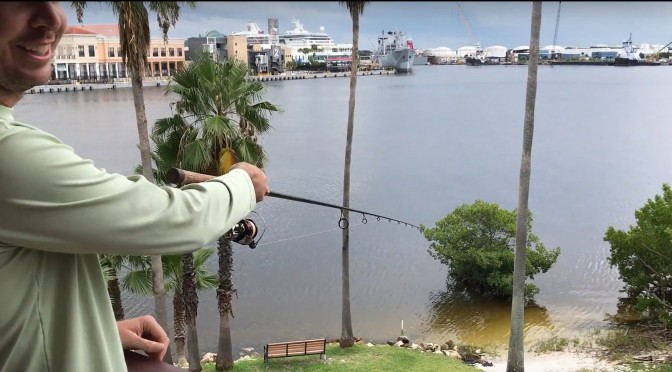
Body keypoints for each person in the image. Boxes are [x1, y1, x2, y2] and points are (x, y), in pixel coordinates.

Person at [0, 2, 269, 371]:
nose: (52, 19)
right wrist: (242, 183)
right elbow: (173, 220)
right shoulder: (8, 152)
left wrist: (97, 332)